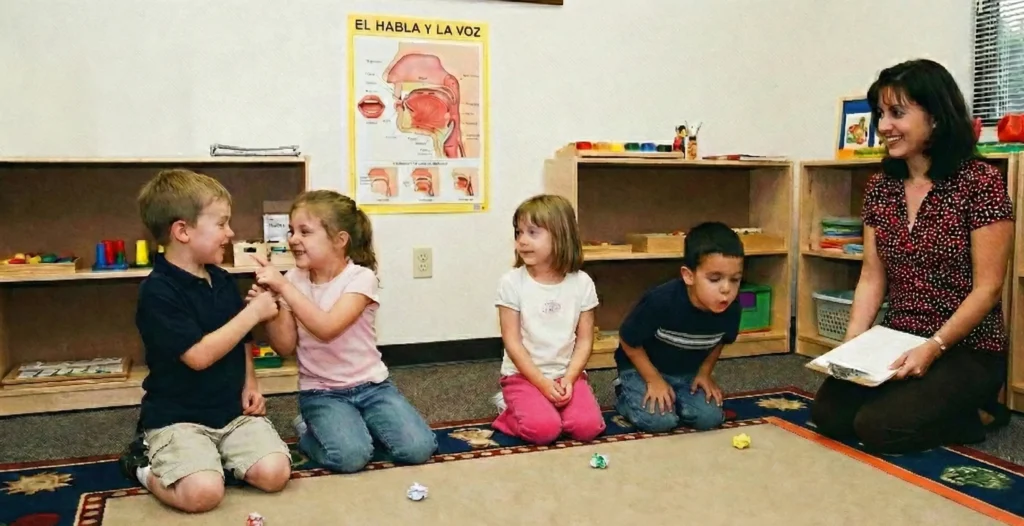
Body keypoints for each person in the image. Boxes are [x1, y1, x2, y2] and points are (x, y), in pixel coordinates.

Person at [810, 58, 1014, 454]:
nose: (884, 126)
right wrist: (851, 346)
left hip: (966, 348)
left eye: (897, 113)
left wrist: (933, 346)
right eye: (880, 114)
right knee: (830, 416)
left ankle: (978, 414)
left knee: (879, 428)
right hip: (896, 337)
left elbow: (988, 289)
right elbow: (872, 276)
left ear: (935, 117)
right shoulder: (881, 187)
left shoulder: (981, 183)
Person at [120, 168, 291, 513]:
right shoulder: (157, 292)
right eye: (221, 224)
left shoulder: (222, 280)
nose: (230, 233)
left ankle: (211, 458)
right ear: (182, 231)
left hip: (231, 412)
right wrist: (254, 312)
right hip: (177, 418)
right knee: (203, 495)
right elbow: (198, 356)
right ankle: (142, 464)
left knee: (275, 474)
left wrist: (251, 384)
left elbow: (242, 339)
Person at [251, 190, 437, 473]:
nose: (293, 239)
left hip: (373, 387)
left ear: (340, 240)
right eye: (291, 231)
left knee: (418, 448)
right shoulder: (292, 281)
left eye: (305, 231)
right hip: (321, 392)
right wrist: (271, 309)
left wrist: (284, 288)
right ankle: (308, 431)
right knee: (350, 458)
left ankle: (355, 426)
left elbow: (327, 328)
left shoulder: (361, 278)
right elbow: (284, 346)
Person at [491, 194, 606, 445]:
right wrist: (542, 383)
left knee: (588, 428)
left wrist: (570, 378)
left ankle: (544, 408)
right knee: (543, 431)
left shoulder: (582, 283)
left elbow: (585, 341)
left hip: (566, 375)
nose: (522, 240)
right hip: (523, 376)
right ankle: (509, 412)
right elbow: (512, 343)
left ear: (561, 236)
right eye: (518, 232)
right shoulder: (511, 282)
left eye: (533, 232)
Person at [613, 222, 744, 433]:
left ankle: (674, 401)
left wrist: (704, 373)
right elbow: (628, 340)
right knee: (660, 422)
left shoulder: (732, 307)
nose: (726, 289)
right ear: (688, 276)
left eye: (735, 280)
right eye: (714, 279)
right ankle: (624, 396)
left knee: (710, 418)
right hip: (642, 370)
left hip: (686, 374)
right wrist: (654, 380)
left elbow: (721, 340)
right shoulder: (661, 301)